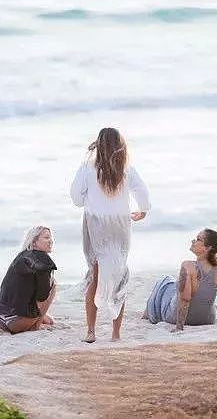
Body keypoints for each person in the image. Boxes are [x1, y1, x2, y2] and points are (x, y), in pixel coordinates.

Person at [70, 128, 150, 343]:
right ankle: (115, 334)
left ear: (98, 144)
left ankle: (91, 331)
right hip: (120, 226)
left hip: (96, 225)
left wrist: (89, 196)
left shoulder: (87, 168)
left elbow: (76, 199)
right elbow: (142, 191)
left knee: (96, 276)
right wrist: (143, 210)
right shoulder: (127, 169)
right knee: (118, 275)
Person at [144, 228, 217, 331]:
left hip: (175, 318)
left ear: (207, 248)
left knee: (164, 281)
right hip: (208, 319)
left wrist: (179, 328)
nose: (193, 241)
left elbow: (185, 299)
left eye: (198, 239)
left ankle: (145, 316)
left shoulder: (187, 266)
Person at [0, 226, 58, 334]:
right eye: (46, 237)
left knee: (50, 321)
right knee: (54, 284)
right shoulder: (43, 261)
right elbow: (42, 297)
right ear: (34, 242)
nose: (51, 240)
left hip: (1, 320)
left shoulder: (21, 256)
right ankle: (35, 326)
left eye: (51, 237)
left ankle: (34, 319)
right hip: (15, 323)